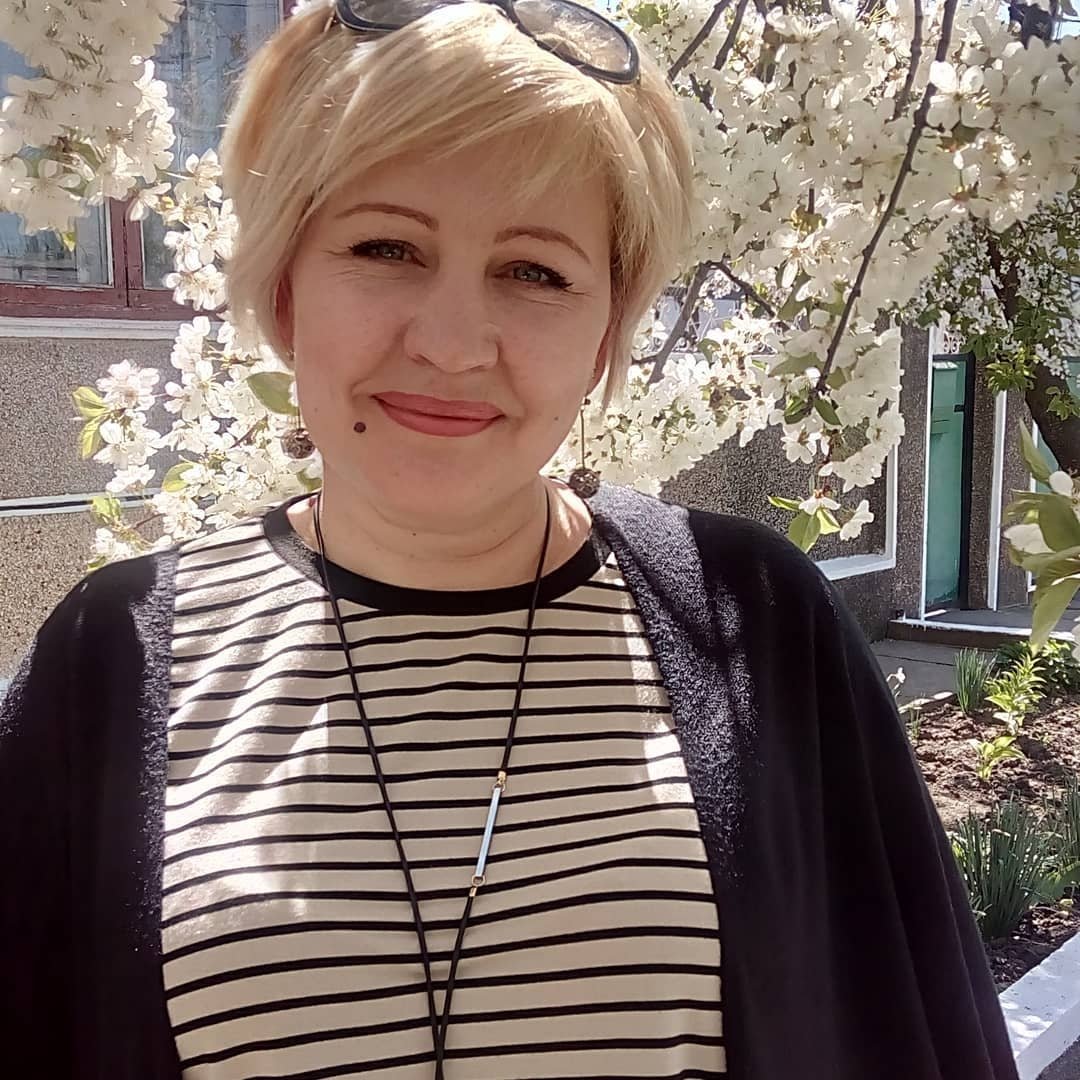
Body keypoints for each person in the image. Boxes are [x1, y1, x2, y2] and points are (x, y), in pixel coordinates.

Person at [0, 1, 1018, 1078]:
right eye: (386, 247)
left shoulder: (750, 621)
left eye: (534, 271)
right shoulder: (116, 655)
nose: (451, 344)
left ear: (605, 332)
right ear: (286, 288)